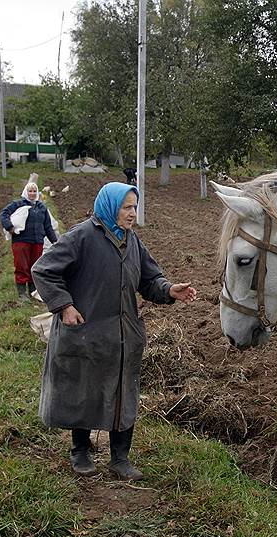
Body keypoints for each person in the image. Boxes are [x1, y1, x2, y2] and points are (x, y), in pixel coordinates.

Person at [31, 182, 197, 480]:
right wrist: (64, 306)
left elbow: (150, 281)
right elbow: (43, 270)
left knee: (124, 393)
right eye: (127, 207)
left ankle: (120, 458)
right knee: (84, 390)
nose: (133, 213)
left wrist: (170, 289)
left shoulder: (132, 242)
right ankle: (80, 451)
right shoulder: (82, 237)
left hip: (123, 336)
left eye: (135, 207)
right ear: (110, 206)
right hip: (86, 333)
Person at [0, 174, 58, 300]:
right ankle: (22, 294)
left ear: (37, 193)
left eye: (34, 191)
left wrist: (56, 242)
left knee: (35, 266)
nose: (32, 193)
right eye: (30, 191)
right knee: (22, 266)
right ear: (26, 192)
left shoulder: (42, 207)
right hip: (21, 241)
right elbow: (4, 213)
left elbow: (48, 226)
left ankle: (33, 291)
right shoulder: (18, 204)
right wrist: (10, 227)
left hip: (37, 241)